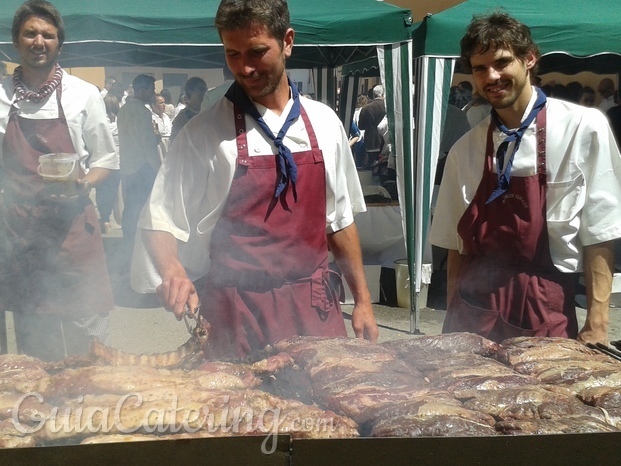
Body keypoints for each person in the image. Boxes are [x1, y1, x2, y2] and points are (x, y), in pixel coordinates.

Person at [133, 0, 378, 358]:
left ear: (288, 42)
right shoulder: (203, 133)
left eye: (257, 52)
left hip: (314, 307)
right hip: (235, 313)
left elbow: (339, 221)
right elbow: (160, 218)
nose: (245, 67)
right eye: (233, 54)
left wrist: (363, 300)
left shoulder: (325, 124)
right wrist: (173, 270)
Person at [430, 11, 621, 344]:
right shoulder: (466, 150)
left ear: (529, 58)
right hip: (474, 305)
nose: (492, 76)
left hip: (545, 305)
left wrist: (598, 323)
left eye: (502, 63)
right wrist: (452, 316)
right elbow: (456, 248)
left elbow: (600, 233)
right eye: (480, 68)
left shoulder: (583, 129)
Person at [0, 0, 118, 360]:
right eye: (30, 33)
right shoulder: (1, 95)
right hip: (21, 235)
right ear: (16, 42)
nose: (39, 41)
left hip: (73, 232)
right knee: (34, 336)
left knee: (86, 338)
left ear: (59, 45)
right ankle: (34, 409)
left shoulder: (84, 94)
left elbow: (106, 159)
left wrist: (86, 182)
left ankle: (90, 407)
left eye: (47, 35)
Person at [116, 74, 160, 266]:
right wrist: (159, 170)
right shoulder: (143, 112)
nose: (153, 93)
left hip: (128, 166)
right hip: (143, 168)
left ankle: (128, 247)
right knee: (143, 210)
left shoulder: (123, 110)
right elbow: (148, 145)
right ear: (141, 90)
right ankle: (139, 251)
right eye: (151, 89)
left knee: (130, 209)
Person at [95, 94, 122, 233]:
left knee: (103, 192)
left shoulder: (101, 122)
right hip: (119, 161)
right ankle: (117, 218)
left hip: (104, 162)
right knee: (117, 193)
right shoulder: (120, 121)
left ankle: (105, 219)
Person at [170, 77, 207, 143]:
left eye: (205, 90)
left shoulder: (208, 112)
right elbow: (174, 142)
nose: (203, 93)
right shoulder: (182, 117)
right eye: (201, 89)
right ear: (190, 91)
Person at [358, 84, 386, 170]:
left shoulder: (366, 108)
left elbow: (361, 126)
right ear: (383, 94)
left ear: (374, 95)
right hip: (385, 140)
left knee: (371, 166)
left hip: (371, 141)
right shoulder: (387, 107)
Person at [150, 93, 172, 159]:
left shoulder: (166, 117)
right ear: (153, 105)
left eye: (164, 102)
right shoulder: (151, 118)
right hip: (159, 147)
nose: (164, 105)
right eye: (161, 103)